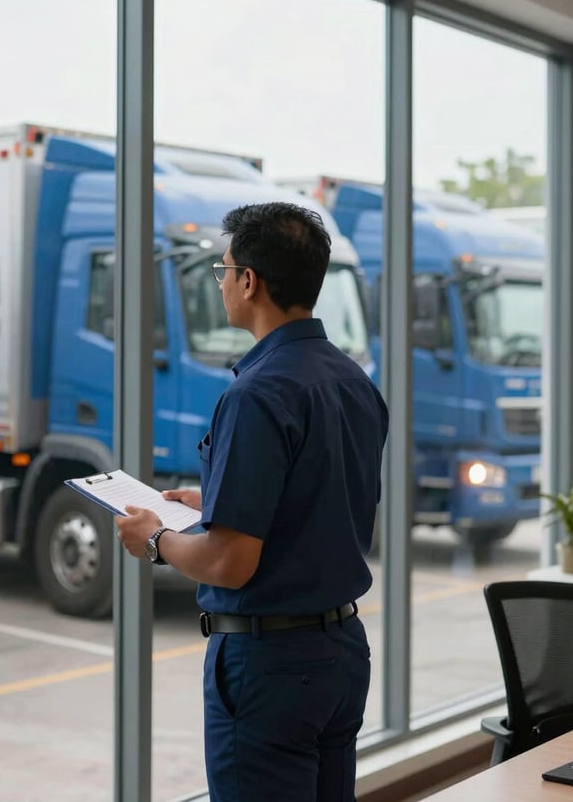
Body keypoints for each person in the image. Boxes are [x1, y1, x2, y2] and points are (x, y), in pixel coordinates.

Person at [116, 201, 389, 802]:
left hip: (270, 665)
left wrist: (155, 540)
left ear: (249, 282)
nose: (222, 282)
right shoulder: (354, 382)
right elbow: (323, 497)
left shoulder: (257, 393)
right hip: (340, 653)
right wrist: (211, 497)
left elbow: (228, 563)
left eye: (224, 269)